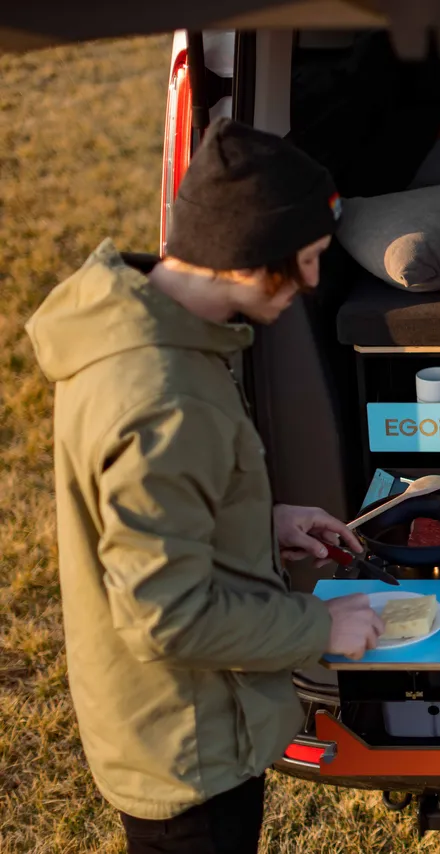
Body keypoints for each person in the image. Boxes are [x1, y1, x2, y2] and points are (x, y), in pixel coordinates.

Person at [24, 118, 386, 854]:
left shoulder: (142, 332)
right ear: (250, 256)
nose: (312, 284)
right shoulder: (163, 398)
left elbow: (150, 513)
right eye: (306, 261)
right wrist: (320, 627)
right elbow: (167, 618)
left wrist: (261, 519)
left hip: (173, 720)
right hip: (187, 749)